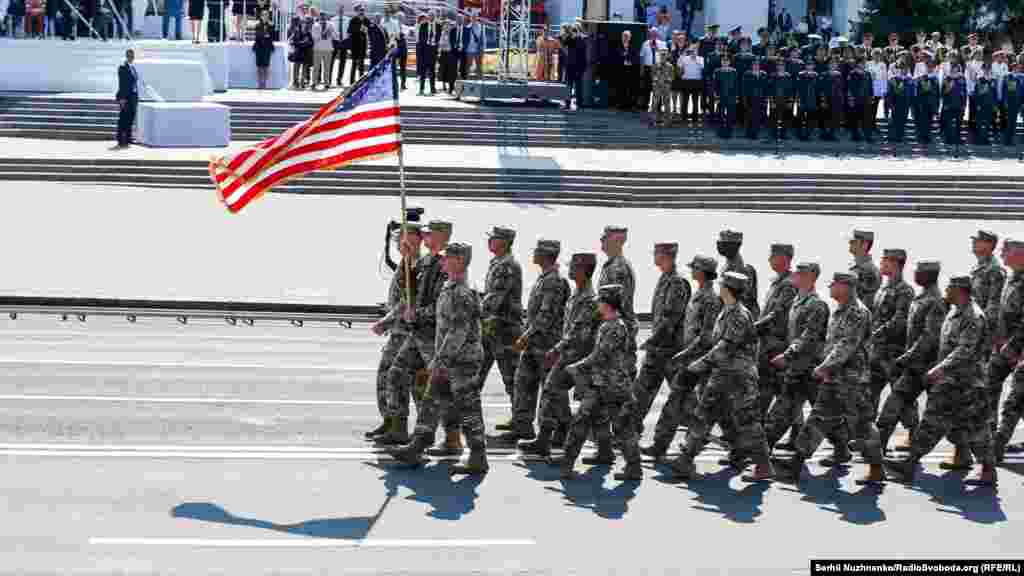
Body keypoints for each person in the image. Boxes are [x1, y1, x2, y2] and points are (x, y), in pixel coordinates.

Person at [885, 277, 997, 487]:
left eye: (950, 287)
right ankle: (910, 463)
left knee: (975, 428)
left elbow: (964, 350)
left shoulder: (973, 316)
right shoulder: (955, 311)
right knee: (934, 421)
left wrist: (939, 369)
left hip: (967, 383)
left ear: (960, 290)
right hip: (951, 382)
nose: (946, 290)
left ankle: (988, 470)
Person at [390, 242, 490, 476]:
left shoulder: (462, 292)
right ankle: (417, 446)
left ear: (459, 261)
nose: (443, 261)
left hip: (463, 361)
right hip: (449, 359)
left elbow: (458, 332)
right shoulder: (449, 287)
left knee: (469, 408)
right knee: (431, 401)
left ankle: (478, 456)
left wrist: (441, 360)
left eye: (448, 258)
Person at [776, 272, 885, 485]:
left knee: (863, 425)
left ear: (846, 287)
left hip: (852, 380)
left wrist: (824, 367)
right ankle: (795, 465)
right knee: (817, 418)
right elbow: (833, 344)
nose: (831, 288)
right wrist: (826, 367)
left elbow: (846, 345)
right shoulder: (841, 310)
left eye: (834, 284)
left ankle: (876, 468)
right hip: (835, 378)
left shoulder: (857, 312)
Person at [667, 271, 775, 483]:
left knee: (748, 422)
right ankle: (685, 460)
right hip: (722, 374)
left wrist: (698, 365)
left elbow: (725, 347)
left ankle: (763, 466)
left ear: (728, 289)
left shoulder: (738, 315)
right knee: (703, 415)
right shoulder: (727, 311)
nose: (719, 288)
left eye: (722, 285)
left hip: (740, 377)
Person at [550, 284, 644, 482]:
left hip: (614, 386)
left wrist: (577, 367)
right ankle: (567, 463)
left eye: (600, 302)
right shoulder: (607, 325)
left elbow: (600, 356)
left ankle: (634, 467)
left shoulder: (616, 328)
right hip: (599, 383)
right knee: (581, 421)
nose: (597, 305)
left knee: (622, 427)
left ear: (608, 304)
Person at [643, 255, 721, 459]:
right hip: (690, 359)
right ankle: (660, 445)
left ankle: (736, 444)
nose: (692, 270)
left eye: (695, 267)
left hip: (701, 360)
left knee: (711, 408)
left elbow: (706, 337)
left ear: (702, 272)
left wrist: (684, 354)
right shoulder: (698, 295)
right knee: (675, 401)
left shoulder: (710, 300)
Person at [499, 240, 570, 444]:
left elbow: (545, 316)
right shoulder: (544, 278)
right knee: (523, 384)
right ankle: (523, 427)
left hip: (546, 345)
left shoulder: (554, 281)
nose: (534, 254)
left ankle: (562, 428)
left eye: (538, 251)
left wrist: (525, 336)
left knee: (552, 389)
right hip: (533, 344)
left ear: (546, 255)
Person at [876, 260, 944, 455]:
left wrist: (906, 357)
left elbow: (929, 337)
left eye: (919, 272)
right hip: (914, 366)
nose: (915, 274)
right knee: (894, 404)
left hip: (929, 367)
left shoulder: (935, 301)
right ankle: (877, 446)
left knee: (942, 414)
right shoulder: (922, 297)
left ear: (929, 275)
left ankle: (965, 452)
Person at [766, 262, 829, 453]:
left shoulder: (816, 305)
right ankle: (763, 449)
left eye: (800, 274)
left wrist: (787, 355)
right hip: (797, 368)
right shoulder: (797, 302)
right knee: (782, 411)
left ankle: (842, 447)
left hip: (810, 369)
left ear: (810, 277)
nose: (795, 276)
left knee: (825, 415)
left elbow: (809, 337)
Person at [367, 224, 422, 441]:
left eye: (404, 239)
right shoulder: (405, 263)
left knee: (408, 381)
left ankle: (412, 429)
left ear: (417, 239)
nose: (400, 244)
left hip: (408, 333)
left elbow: (407, 301)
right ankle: (391, 421)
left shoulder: (417, 266)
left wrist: (386, 321)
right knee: (387, 377)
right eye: (398, 240)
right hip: (398, 330)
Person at [630, 242, 689, 436]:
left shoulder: (677, 282)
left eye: (657, 253)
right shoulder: (665, 278)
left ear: (666, 256)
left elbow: (670, 319)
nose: (654, 257)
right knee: (641, 392)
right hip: (660, 349)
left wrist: (653, 340)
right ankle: (630, 429)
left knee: (683, 396)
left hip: (669, 349)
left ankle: (700, 430)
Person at [477, 227, 523, 425]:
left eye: (494, 238)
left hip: (505, 330)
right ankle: (469, 418)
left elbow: (495, 298)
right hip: (491, 329)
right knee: (475, 376)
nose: (490, 241)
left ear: (503, 242)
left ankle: (520, 423)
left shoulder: (506, 266)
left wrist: (474, 309)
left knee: (511, 379)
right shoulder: (498, 263)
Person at [115, 48, 139, 148]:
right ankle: (120, 139)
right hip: (125, 97)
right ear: (126, 56)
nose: (131, 57)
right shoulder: (122, 67)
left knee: (130, 119)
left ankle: (128, 138)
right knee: (123, 119)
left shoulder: (133, 68)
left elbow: (134, 82)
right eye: (129, 55)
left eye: (132, 56)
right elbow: (122, 84)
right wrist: (122, 98)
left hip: (133, 97)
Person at [311, 8, 336, 90]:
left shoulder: (331, 25)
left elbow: (335, 36)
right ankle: (314, 82)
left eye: (324, 15)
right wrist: (323, 34)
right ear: (319, 16)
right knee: (316, 67)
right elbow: (314, 36)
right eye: (321, 15)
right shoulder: (315, 25)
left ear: (326, 16)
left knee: (327, 68)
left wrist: (331, 33)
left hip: (328, 49)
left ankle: (327, 83)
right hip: (318, 48)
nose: (322, 17)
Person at [415, 12, 437, 96]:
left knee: (432, 72)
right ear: (428, 17)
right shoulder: (423, 25)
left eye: (432, 16)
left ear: (434, 17)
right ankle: (421, 89)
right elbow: (420, 39)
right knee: (423, 72)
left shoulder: (438, 25)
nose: (431, 17)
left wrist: (434, 44)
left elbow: (438, 37)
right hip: (424, 51)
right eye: (430, 16)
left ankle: (432, 89)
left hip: (433, 52)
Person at [252, 11, 275, 89]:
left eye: (266, 15)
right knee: (259, 67)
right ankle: (259, 83)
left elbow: (272, 35)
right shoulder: (257, 25)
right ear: (261, 16)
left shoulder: (271, 25)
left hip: (267, 47)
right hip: (259, 47)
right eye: (263, 15)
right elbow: (257, 35)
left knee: (266, 66)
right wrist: (265, 35)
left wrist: (265, 35)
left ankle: (264, 83)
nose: (265, 16)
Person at [347, 6, 368, 84]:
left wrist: (366, 29)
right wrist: (359, 28)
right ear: (357, 11)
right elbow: (349, 31)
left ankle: (361, 81)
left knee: (361, 64)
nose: (362, 12)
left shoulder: (366, 20)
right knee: (354, 63)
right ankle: (352, 82)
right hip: (355, 45)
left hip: (363, 45)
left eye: (363, 10)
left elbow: (370, 29)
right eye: (360, 10)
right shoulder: (353, 20)